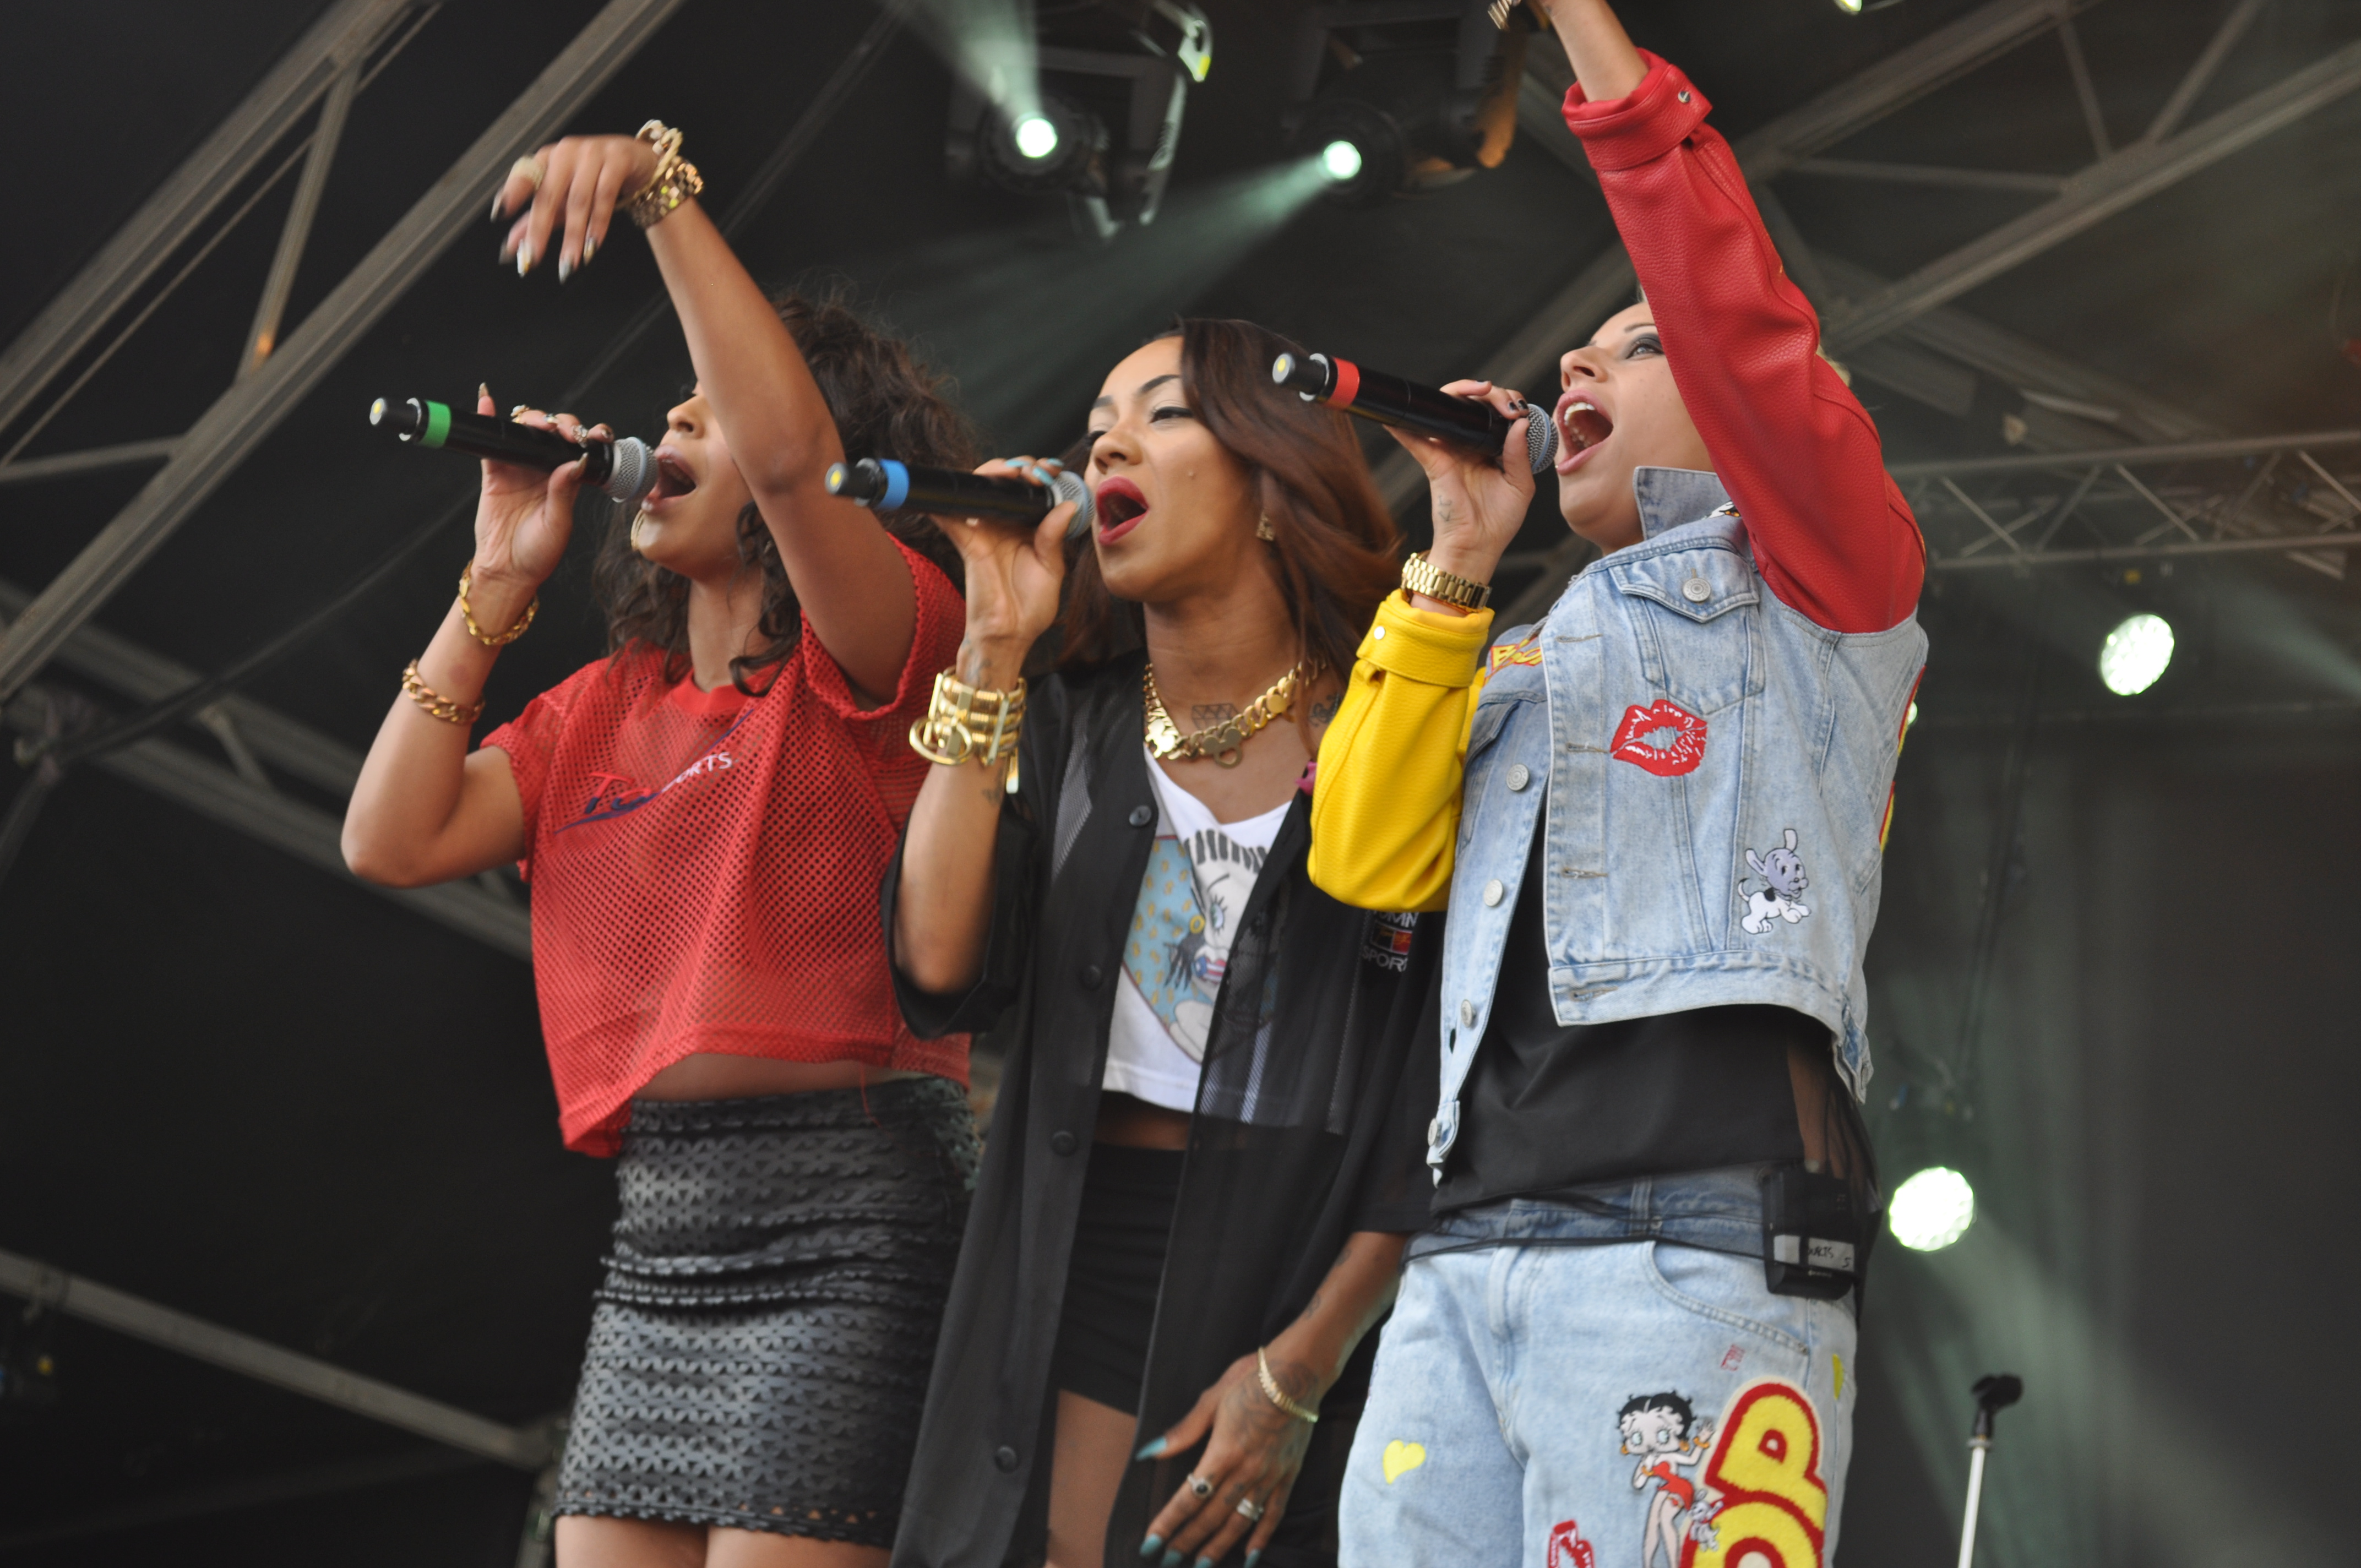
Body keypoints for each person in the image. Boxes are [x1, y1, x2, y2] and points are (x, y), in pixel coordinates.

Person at [1305, 3, 1929, 1565]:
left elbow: (1738, 311)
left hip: (1694, 1242)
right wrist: (1453, 564)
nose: (1576, 357)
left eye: (1640, 343)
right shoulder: (1518, 647)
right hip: (1465, 1251)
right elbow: (1364, 858)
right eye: (1581, 345)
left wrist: (1579, 25)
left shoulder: (1826, 587)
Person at [342, 122, 978, 1567]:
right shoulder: (601, 709)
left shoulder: (881, 656)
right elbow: (389, 836)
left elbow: (794, 460)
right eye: (670, 412)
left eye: (708, 413)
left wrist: (658, 190)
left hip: (853, 1202)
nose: (673, 428)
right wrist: (494, 580)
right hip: (663, 1223)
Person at [884, 319, 1438, 1568]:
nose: (1107, 445)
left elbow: (1434, 1107)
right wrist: (992, 647)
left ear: (1271, 481)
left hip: (1300, 1270)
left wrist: (1301, 1364)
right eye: (1096, 426)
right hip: (1077, 1240)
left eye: (1163, 412)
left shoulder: (1388, 740)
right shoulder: (1067, 725)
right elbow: (934, 961)